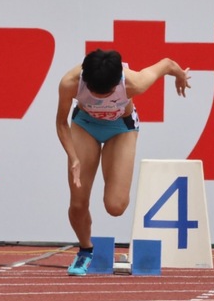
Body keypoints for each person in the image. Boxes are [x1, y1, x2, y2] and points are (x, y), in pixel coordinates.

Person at [56, 49, 191, 276]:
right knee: (78, 202)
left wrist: (180, 75)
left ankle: (91, 242)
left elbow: (167, 63)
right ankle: (85, 250)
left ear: (117, 83)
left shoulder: (134, 82)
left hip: (121, 128)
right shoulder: (70, 82)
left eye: (106, 93)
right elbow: (61, 123)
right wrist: (73, 157)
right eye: (93, 92)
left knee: (116, 206)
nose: (99, 98)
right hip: (85, 125)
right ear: (85, 80)